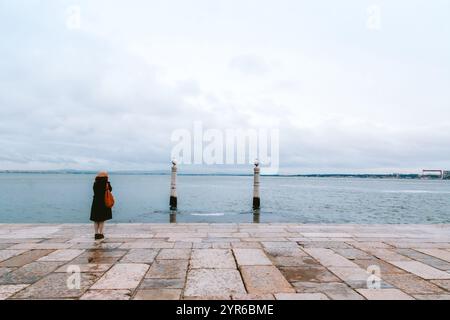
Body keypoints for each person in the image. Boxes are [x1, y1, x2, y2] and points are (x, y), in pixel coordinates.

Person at [90, 171, 112, 240]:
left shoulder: (95, 183)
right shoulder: (106, 184)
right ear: (105, 177)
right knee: (102, 219)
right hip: (103, 202)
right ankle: (101, 233)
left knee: (96, 219)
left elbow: (95, 191)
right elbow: (110, 190)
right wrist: (108, 183)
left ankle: (96, 233)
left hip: (96, 202)